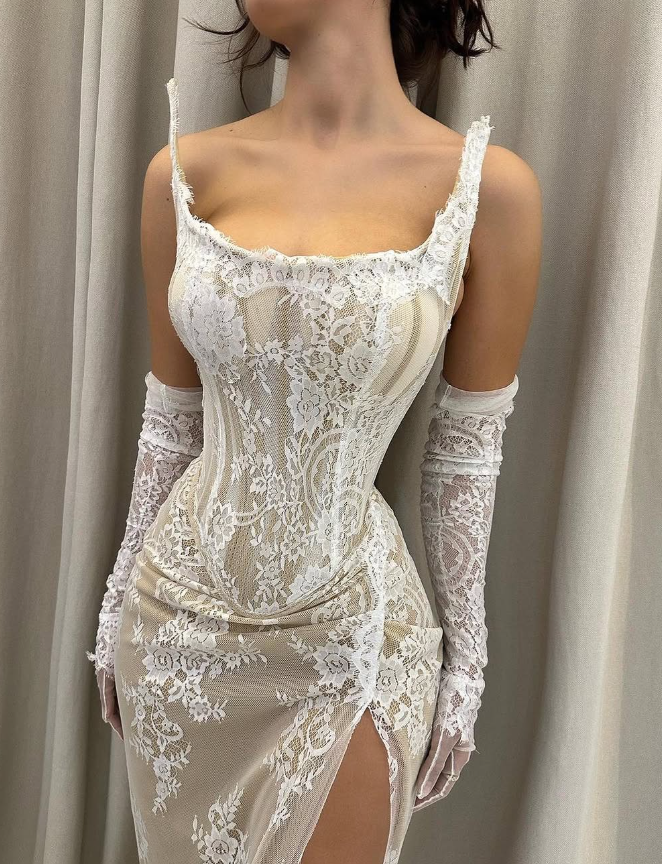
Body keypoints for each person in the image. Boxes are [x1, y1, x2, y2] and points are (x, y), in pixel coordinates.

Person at [87, 2, 541, 862]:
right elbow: (171, 421)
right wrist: (115, 605)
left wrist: (467, 665)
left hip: (352, 641)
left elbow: (465, 451)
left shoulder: (487, 192)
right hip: (174, 628)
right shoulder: (183, 174)